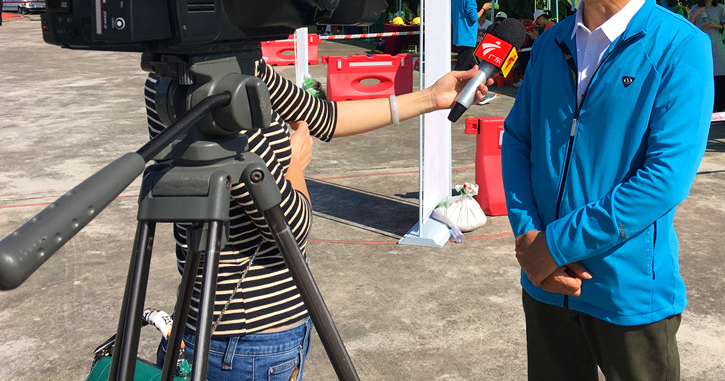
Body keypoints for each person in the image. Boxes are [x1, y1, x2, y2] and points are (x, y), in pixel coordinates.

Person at [147, 58, 490, 379]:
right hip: (248, 343)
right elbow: (289, 225)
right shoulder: (215, 90)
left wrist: (430, 97)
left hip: (216, 326)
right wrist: (294, 164)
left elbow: (321, 116)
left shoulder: (189, 73)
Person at [502, 0, 714, 381]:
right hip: (545, 282)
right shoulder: (551, 43)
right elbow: (518, 140)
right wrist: (528, 234)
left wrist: (557, 243)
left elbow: (665, 178)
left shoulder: (678, 46)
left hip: (627, 290)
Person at [688, 0, 725, 112]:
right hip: (699, 49)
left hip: (716, 48)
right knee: (700, 78)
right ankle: (701, 109)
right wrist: (695, 15)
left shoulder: (720, 8)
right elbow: (689, 27)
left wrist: (716, 26)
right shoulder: (695, 8)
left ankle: (718, 110)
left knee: (717, 80)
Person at [451, 0, 492, 72]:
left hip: (459, 34)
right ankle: (455, 81)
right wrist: (484, 8)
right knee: (461, 68)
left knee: (472, 66)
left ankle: (478, 79)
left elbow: (452, 17)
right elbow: (474, 18)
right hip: (468, 36)